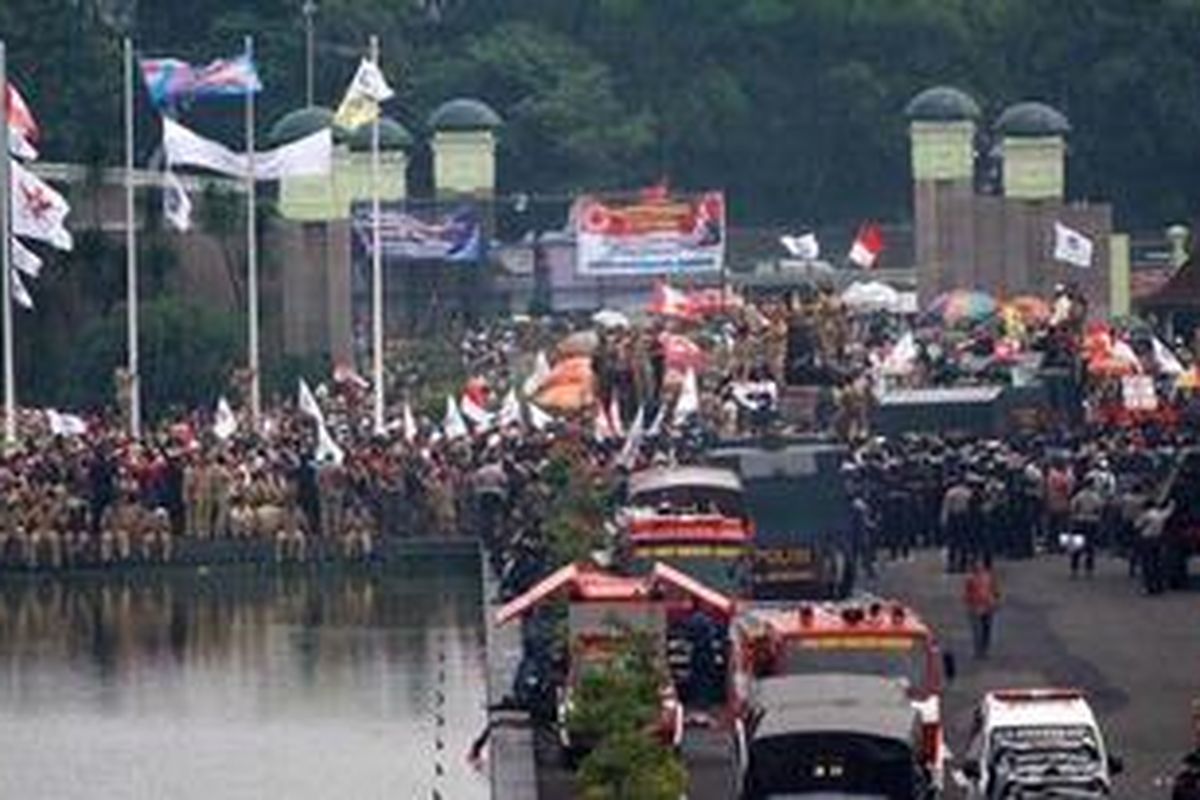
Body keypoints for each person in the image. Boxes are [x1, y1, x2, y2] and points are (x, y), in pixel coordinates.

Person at [1136, 498, 1175, 595]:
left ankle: (1148, 587)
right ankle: (1158, 586)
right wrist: (1171, 503)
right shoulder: (1161, 515)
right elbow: (1169, 511)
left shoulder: (1145, 515)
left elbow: (1137, 525)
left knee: (1147, 564)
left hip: (1146, 539)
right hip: (1158, 539)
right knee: (1157, 563)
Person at [963, 558, 1000, 659]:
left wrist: (995, 601)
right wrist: (969, 604)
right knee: (977, 631)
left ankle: (984, 650)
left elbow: (995, 590)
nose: (979, 566)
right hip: (975, 607)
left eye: (981, 564)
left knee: (986, 630)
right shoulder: (970, 578)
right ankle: (978, 651)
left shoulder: (989, 576)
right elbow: (967, 593)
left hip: (988, 606)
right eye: (977, 564)